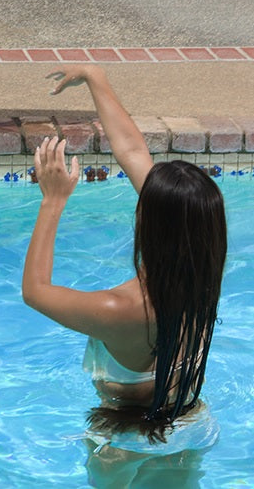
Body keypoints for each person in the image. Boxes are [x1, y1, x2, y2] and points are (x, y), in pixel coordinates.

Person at [22, 65, 227, 476]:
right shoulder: (204, 269)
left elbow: (35, 291)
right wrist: (96, 78)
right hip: (189, 424)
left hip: (123, 442)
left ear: (148, 225)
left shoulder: (120, 309)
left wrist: (53, 201)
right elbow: (133, 152)